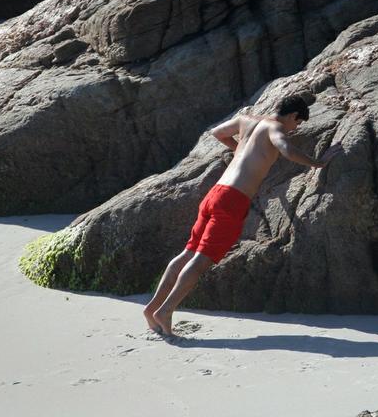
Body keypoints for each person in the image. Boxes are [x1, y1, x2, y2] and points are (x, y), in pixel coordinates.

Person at [143, 94, 343, 335]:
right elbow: (286, 148)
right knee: (201, 259)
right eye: (297, 123)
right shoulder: (275, 127)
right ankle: (165, 310)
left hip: (215, 193)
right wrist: (318, 163)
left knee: (188, 252)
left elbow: (217, 133)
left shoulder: (246, 120)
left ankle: (152, 308)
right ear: (291, 116)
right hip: (232, 200)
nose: (294, 128)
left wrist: (239, 149)